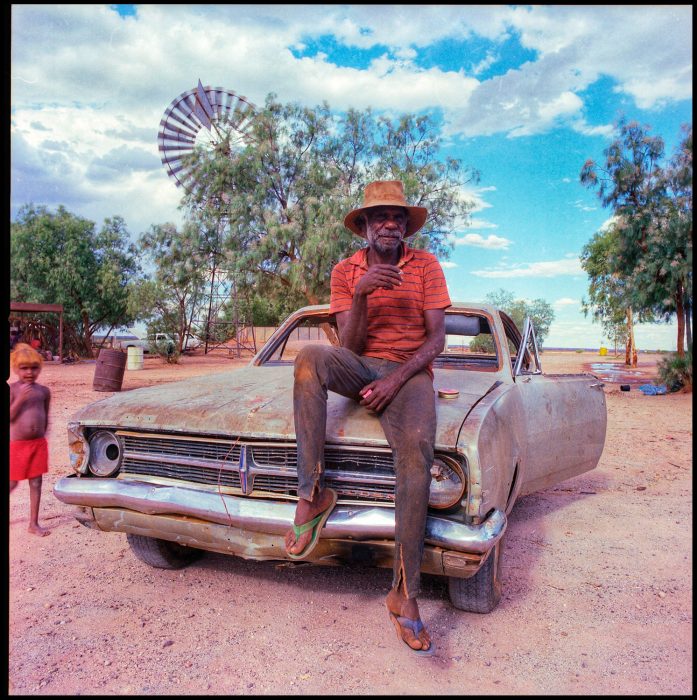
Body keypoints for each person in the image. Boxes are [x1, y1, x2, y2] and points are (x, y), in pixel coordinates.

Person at [284, 180, 451, 654]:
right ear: (363, 226)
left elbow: (436, 340)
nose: (389, 224)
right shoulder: (345, 271)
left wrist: (396, 381)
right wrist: (359, 295)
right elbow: (349, 348)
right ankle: (312, 494)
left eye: (397, 217)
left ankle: (406, 594)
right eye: (379, 217)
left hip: (409, 374)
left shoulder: (427, 266)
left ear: (406, 226)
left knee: (416, 458)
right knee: (309, 359)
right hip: (358, 365)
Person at [9, 343, 52, 536]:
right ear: (15, 369)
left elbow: (46, 415)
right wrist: (20, 400)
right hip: (17, 445)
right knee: (12, 483)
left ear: (40, 368)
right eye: (24, 368)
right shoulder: (13, 390)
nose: (29, 372)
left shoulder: (44, 391)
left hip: (37, 444)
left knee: (36, 483)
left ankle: (33, 524)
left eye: (34, 368)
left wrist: (43, 434)